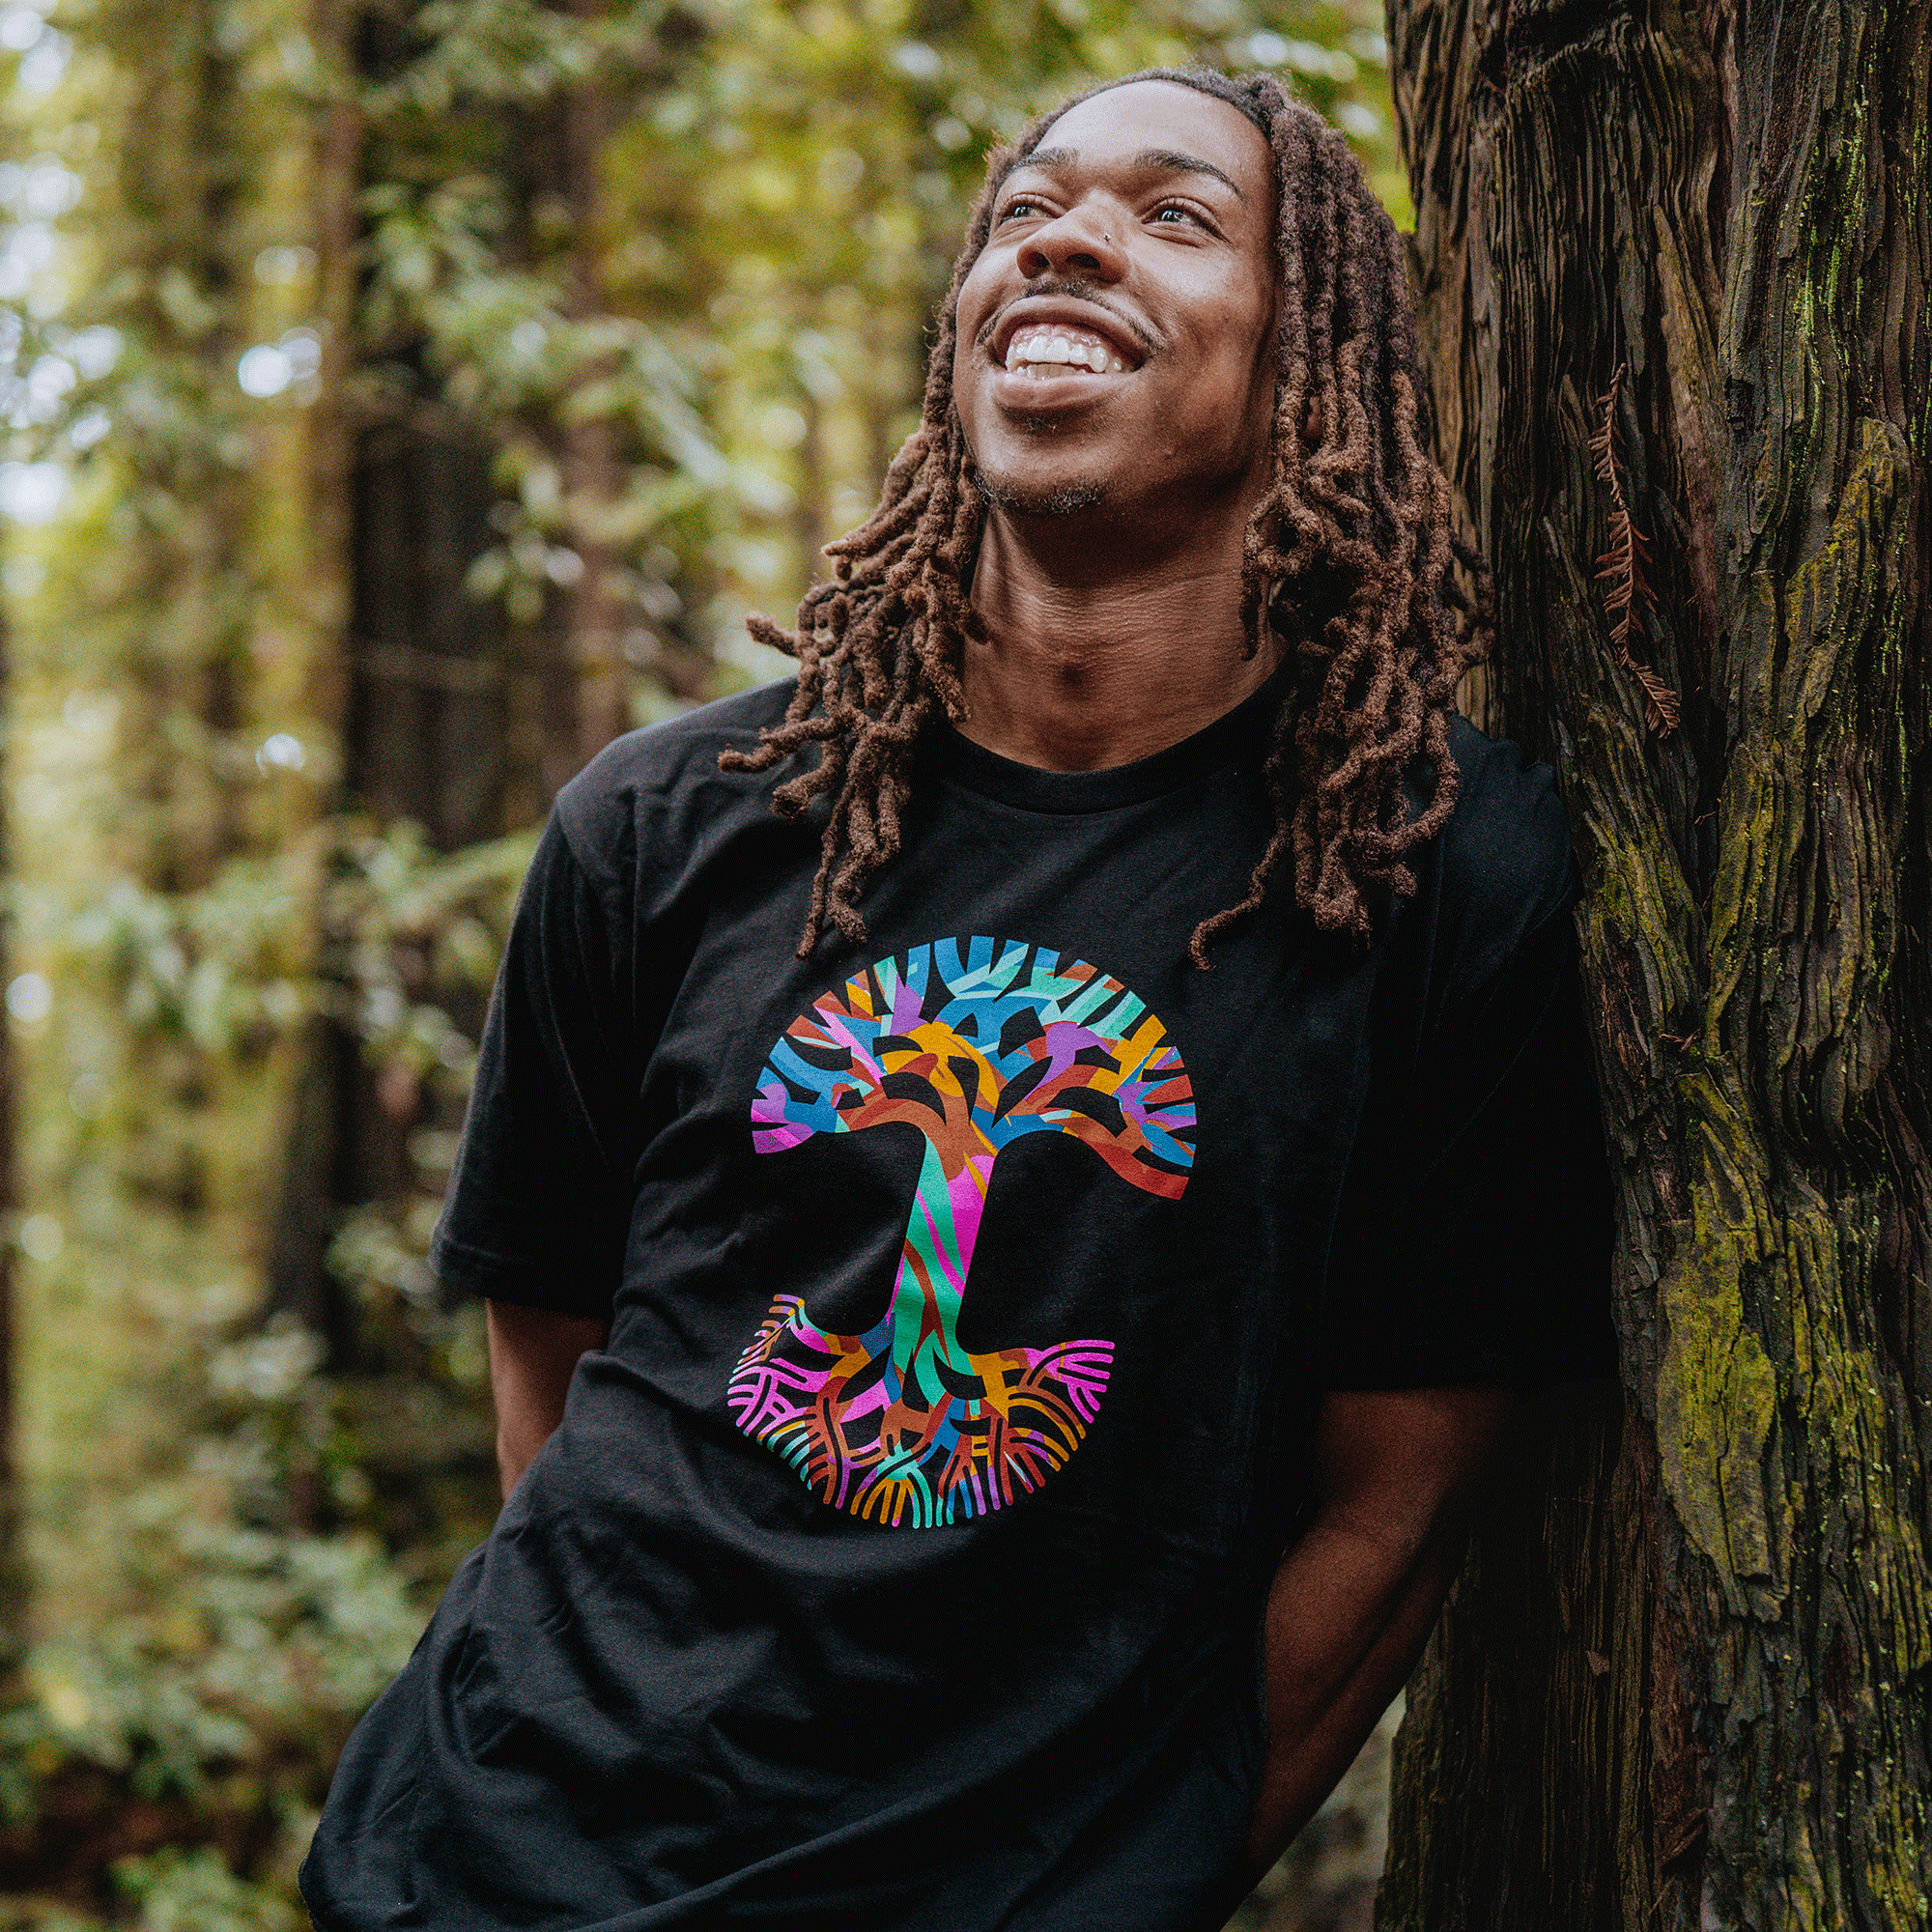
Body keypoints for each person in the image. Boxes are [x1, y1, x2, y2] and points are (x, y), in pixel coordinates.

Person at [300, 64, 1611, 1932]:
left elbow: (1391, 1521)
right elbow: (560, 1401)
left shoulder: (1433, 878)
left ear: (1311, 358)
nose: (1064, 236)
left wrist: (1108, 1890)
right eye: (1027, 210)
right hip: (481, 1869)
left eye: (1177, 216)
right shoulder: (666, 830)